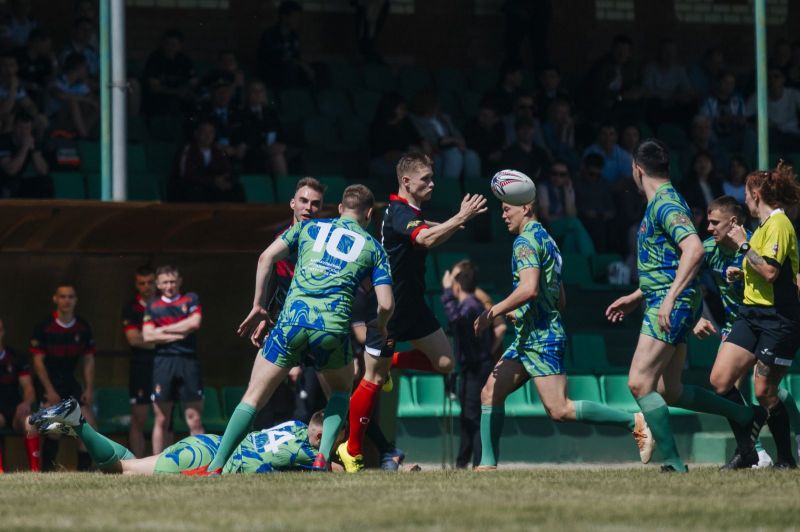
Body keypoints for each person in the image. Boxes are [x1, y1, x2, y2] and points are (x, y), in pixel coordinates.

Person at [190, 184, 395, 475]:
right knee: (340, 392)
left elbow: (266, 258)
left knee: (253, 397)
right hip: (331, 328)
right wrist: (381, 328)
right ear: (369, 214)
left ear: (339, 208)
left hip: (292, 322)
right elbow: (386, 303)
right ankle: (322, 458)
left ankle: (216, 465)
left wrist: (258, 305)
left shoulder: (308, 228)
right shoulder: (374, 248)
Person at [605, 139, 766, 473]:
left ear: (637, 169)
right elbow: (668, 261)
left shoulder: (665, 203)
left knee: (639, 382)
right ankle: (744, 414)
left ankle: (674, 463)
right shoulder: (662, 202)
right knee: (670, 390)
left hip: (670, 303)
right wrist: (638, 296)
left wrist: (667, 299)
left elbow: (693, 249)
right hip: (667, 298)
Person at [474, 195, 654, 470]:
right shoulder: (548, 240)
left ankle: (633, 421)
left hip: (542, 339)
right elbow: (560, 299)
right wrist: (522, 313)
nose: (503, 215)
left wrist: (492, 312)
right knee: (490, 393)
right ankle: (487, 466)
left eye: (507, 209)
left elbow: (529, 289)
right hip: (529, 336)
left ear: (526, 207)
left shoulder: (524, 241)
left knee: (560, 410)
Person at [708, 162, 800, 468]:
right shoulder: (762, 226)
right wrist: (742, 272)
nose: (745, 198)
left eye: (747, 193)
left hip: (777, 319)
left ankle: (785, 459)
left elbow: (771, 272)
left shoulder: (779, 224)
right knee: (720, 381)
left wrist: (743, 244)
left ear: (756, 194)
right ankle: (748, 448)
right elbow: (759, 267)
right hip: (750, 314)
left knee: (764, 392)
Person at [383, 153, 486, 377]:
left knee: (446, 362)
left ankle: (391, 360)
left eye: (432, 178)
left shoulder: (410, 213)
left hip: (414, 304)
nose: (432, 184)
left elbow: (430, 236)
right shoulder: (400, 211)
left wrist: (450, 224)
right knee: (374, 377)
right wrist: (459, 217)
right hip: (392, 305)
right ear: (406, 181)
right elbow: (426, 239)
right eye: (425, 179)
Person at [31, 398, 327, 474]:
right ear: (320, 436)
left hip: (211, 444)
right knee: (119, 471)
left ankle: (77, 428)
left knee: (130, 466)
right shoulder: (309, 453)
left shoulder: (294, 425)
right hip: (202, 459)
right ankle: (79, 423)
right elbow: (337, 470)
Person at [260, 177, 326, 429]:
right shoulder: (280, 241)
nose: (309, 207)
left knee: (310, 406)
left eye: (315, 203)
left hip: (316, 332)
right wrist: (264, 318)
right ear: (292, 203)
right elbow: (272, 285)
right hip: (282, 330)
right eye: (303, 201)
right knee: (261, 399)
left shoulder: (326, 244)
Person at [442, 261, 505, 469]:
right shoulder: (473, 305)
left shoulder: (470, 306)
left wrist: (447, 293)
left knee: (474, 418)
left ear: (457, 285)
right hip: (472, 368)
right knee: (468, 418)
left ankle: (480, 463)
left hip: (476, 368)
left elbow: (455, 318)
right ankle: (462, 463)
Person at [30, 283, 98, 471]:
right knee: (55, 425)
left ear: (76, 300)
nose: (66, 300)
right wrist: (49, 391)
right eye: (62, 296)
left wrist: (89, 388)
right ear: (55, 299)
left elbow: (89, 359)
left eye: (70, 297)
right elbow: (38, 362)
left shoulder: (83, 327)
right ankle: (47, 470)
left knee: (88, 423)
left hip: (70, 382)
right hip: (47, 384)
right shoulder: (44, 327)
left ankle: (84, 471)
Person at [142, 265, 204, 454]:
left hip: (188, 361)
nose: (169, 286)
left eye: (172, 281)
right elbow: (148, 336)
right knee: (162, 419)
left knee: (194, 418)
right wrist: (179, 332)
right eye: (165, 282)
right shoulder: (152, 305)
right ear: (158, 285)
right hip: (163, 362)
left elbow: (194, 323)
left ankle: (203, 461)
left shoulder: (190, 299)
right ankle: (157, 463)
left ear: (179, 282)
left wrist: (162, 330)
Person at [121, 266, 159, 458]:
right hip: (141, 367)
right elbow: (133, 339)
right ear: (136, 285)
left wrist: (148, 338)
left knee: (165, 418)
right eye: (142, 283)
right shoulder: (131, 308)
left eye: (150, 282)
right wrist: (164, 338)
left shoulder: (166, 305)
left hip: (164, 367)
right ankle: (137, 464)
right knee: (139, 418)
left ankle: (163, 463)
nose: (147, 287)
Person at [409, 91, 480, 180]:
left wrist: (459, 141)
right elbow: (430, 141)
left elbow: (455, 132)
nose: (436, 107)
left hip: (454, 146)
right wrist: (452, 140)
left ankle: (473, 186)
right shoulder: (418, 121)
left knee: (471, 155)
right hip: (438, 149)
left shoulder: (444, 118)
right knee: (454, 156)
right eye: (433, 104)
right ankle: (449, 186)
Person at [0, 318, 39, 472]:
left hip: (14, 409)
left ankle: (35, 471)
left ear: (3, 332)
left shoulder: (16, 357)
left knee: (30, 421)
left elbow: (28, 387)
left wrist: (26, 403)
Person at [173, 120, 243, 202]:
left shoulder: (217, 151)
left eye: (211, 132)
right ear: (196, 133)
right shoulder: (187, 150)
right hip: (193, 187)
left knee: (237, 189)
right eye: (204, 132)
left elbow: (226, 170)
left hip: (213, 186)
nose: (208, 135)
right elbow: (186, 174)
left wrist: (226, 181)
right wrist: (213, 180)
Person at [368, 93, 426, 181]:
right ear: (391, 108)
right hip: (382, 162)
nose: (404, 111)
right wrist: (406, 153)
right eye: (401, 108)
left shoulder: (406, 122)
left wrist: (421, 148)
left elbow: (419, 141)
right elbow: (386, 154)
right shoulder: (377, 127)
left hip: (406, 160)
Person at [141, 29, 197, 118]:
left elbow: (194, 82)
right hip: (160, 98)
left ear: (180, 46)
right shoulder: (155, 59)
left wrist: (185, 90)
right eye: (167, 44)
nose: (170, 47)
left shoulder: (184, 60)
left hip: (181, 97)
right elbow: (154, 88)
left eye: (174, 45)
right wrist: (175, 92)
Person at [257, 1, 314, 88]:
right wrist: (299, 64)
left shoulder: (294, 36)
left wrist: (305, 65)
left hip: (292, 69)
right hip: (274, 72)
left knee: (321, 67)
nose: (298, 20)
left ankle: (316, 94)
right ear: (284, 17)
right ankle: (288, 93)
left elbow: (297, 56)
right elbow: (275, 58)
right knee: (290, 68)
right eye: (295, 17)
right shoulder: (270, 34)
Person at [239, 80, 288, 177]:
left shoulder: (271, 113)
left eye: (261, 91)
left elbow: (280, 132)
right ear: (247, 94)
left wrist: (281, 145)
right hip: (253, 151)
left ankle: (284, 185)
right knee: (275, 157)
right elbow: (245, 136)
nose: (258, 94)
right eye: (254, 91)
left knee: (279, 155)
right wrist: (263, 146)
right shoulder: (241, 114)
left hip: (273, 149)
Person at [745, 67, 800, 152]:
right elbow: (744, 118)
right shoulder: (758, 96)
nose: (772, 80)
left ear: (783, 79)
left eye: (776, 76)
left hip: (792, 134)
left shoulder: (793, 94)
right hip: (769, 136)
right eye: (769, 77)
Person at [0, 111, 50, 198]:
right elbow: (11, 170)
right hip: (3, 181)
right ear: (14, 127)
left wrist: (33, 150)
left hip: (18, 182)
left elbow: (43, 171)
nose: (23, 132)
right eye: (20, 128)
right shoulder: (3, 141)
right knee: (8, 188)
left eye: (27, 128)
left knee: (45, 182)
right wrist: (25, 147)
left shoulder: (33, 141)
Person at [47, 53, 97, 139]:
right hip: (55, 117)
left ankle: (84, 133)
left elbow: (91, 99)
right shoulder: (59, 80)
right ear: (78, 68)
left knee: (94, 106)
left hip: (73, 121)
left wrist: (91, 101)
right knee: (72, 103)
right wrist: (85, 99)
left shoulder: (80, 84)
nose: (87, 70)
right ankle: (84, 136)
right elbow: (59, 94)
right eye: (84, 67)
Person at [573, 155, 615, 254]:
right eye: (591, 174)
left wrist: (607, 214)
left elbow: (611, 208)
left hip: (602, 220)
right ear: (584, 168)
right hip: (582, 218)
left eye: (598, 175)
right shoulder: (575, 183)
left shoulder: (603, 183)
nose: (594, 177)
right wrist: (585, 212)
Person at [0, 52, 47, 135]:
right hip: (4, 117)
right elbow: (4, 111)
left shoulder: (17, 85)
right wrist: (13, 88)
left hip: (14, 117)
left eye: (11, 65)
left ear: (16, 68)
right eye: (4, 65)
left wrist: (33, 112)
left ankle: (38, 142)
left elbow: (29, 104)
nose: (8, 69)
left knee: (41, 120)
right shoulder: (13, 84)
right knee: (9, 119)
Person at [680, 151, 723, 237]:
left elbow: (722, 201)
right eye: (699, 162)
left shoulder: (717, 183)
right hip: (698, 221)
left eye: (706, 161)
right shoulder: (687, 184)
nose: (703, 164)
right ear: (694, 165)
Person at [13, 28, 56, 111]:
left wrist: (54, 63)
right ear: (36, 42)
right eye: (46, 45)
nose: (48, 48)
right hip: (17, 91)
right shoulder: (17, 55)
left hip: (38, 94)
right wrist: (28, 85)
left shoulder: (45, 60)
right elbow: (7, 76)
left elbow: (51, 80)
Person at [463, 97, 505, 176]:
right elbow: (470, 145)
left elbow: (501, 146)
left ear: (495, 119)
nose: (481, 118)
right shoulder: (471, 125)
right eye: (481, 115)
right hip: (480, 159)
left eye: (485, 116)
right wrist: (487, 155)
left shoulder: (500, 128)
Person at [500, 117, 550, 182]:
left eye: (529, 128)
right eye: (522, 128)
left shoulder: (541, 153)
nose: (526, 131)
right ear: (516, 131)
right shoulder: (509, 154)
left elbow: (546, 174)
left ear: (533, 130)